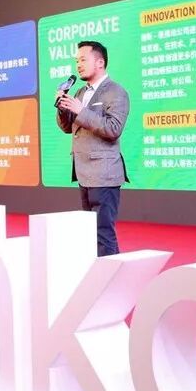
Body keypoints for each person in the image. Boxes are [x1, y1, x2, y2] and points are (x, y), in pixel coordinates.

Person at [55, 40, 129, 256]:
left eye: (83, 60)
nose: (78, 65)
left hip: (104, 174)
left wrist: (81, 111)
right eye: (76, 61)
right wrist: (62, 108)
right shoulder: (79, 92)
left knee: (103, 233)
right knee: (89, 233)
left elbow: (113, 128)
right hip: (84, 173)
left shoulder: (116, 92)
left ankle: (112, 274)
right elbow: (68, 128)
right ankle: (97, 273)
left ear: (100, 62)